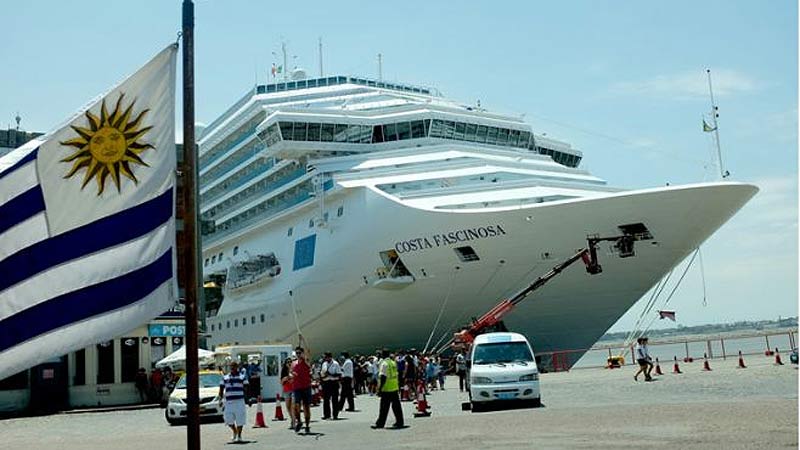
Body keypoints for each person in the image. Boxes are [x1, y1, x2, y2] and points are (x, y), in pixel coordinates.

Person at [371, 349, 404, 429]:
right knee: (396, 406)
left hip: (387, 388)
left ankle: (380, 423)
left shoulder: (384, 364)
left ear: (382, 355)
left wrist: (379, 389)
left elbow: (383, 377)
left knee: (384, 408)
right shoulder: (393, 363)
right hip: (394, 387)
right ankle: (400, 422)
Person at [218, 360, 249, 443]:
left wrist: (248, 399)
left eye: (234, 366)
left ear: (237, 367)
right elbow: (221, 389)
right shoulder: (225, 377)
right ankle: (234, 431)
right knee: (228, 420)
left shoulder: (242, 377)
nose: (232, 368)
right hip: (228, 402)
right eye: (231, 366)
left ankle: (239, 436)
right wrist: (220, 399)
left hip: (239, 401)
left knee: (240, 419)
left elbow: (246, 389)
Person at [291, 347, 312, 433]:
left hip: (306, 387)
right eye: (297, 353)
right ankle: (299, 421)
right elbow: (291, 371)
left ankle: (307, 425)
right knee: (296, 406)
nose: (298, 354)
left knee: (306, 407)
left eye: (300, 353)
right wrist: (292, 374)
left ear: (303, 353)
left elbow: (308, 351)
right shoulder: (294, 363)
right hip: (297, 387)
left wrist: (302, 338)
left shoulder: (306, 361)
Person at [320, 351, 341, 419]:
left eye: (326, 357)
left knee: (334, 400)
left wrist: (330, 375)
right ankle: (327, 415)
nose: (325, 358)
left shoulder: (336, 364)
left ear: (330, 357)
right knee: (326, 400)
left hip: (333, 383)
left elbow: (339, 374)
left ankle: (335, 415)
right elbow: (322, 372)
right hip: (326, 383)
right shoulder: (324, 364)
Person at [280, 356, 295, 430]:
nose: (289, 363)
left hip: (294, 390)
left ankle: (293, 421)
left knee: (292, 406)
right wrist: (285, 378)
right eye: (288, 362)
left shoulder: (294, 370)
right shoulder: (284, 371)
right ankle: (292, 418)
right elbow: (281, 382)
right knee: (288, 407)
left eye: (290, 362)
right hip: (286, 390)